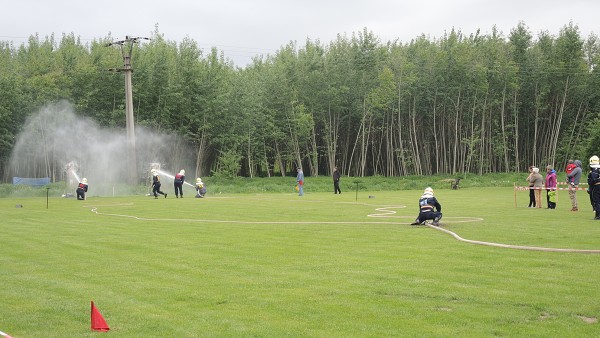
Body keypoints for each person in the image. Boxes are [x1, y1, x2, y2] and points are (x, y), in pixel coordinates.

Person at [588, 155, 600, 220]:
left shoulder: (594, 171)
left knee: (596, 201)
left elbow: (593, 180)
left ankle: (598, 215)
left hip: (596, 187)